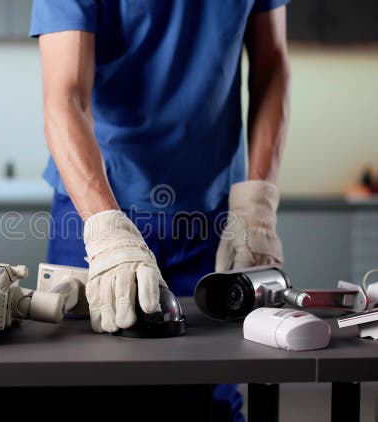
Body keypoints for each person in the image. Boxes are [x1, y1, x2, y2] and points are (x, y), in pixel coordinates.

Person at [31, 1, 290, 420]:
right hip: (96, 213)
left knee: (211, 403)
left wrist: (257, 204)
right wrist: (107, 231)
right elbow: (65, 96)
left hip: (215, 218)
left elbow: (272, 65)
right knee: (87, 394)